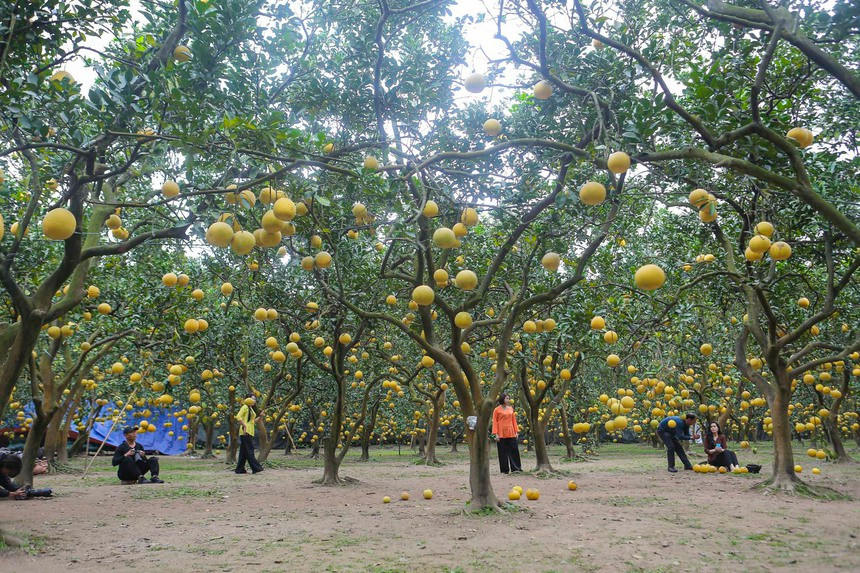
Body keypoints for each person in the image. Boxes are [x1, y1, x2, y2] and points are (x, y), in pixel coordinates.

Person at [491, 392, 522, 474]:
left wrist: (516, 431)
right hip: (501, 432)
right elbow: (495, 422)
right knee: (502, 452)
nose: (508, 400)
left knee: (514, 450)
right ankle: (504, 470)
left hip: (511, 431)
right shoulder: (497, 410)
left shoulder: (510, 408)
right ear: (502, 399)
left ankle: (516, 468)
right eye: (507, 398)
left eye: (508, 398)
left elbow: (513, 420)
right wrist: (496, 433)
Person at [235, 394, 264, 474]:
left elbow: (252, 422)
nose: (254, 400)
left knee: (243, 452)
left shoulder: (250, 408)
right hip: (245, 432)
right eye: (252, 399)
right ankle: (256, 468)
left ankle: (239, 469)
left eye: (254, 399)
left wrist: (260, 416)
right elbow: (238, 417)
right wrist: (244, 426)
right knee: (250, 450)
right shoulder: (244, 407)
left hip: (249, 431)